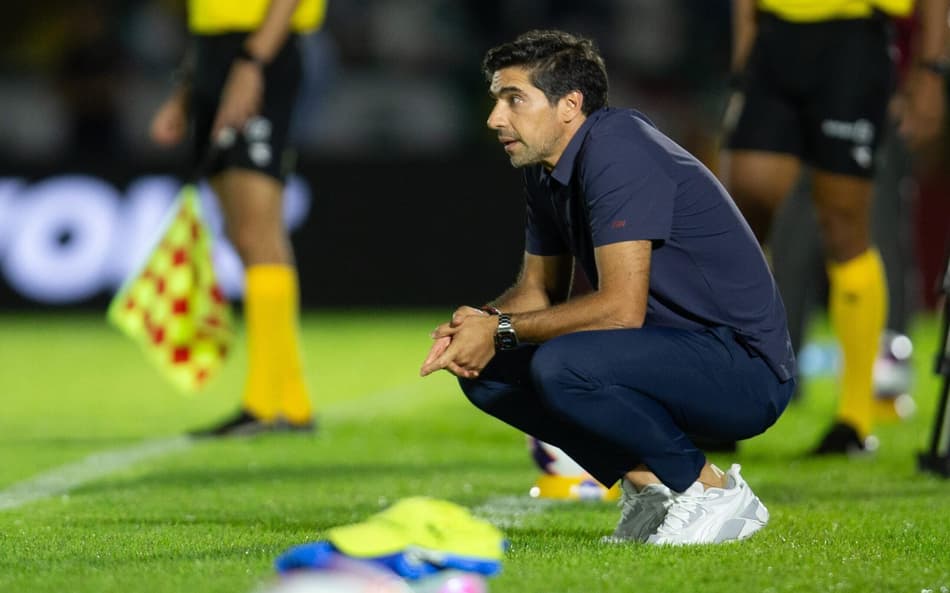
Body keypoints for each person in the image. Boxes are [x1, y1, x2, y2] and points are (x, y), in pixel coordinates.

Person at [420, 30, 796, 545]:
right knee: (488, 370)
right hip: (667, 354)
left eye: (514, 99)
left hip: (744, 369)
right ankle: (649, 489)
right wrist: (479, 324)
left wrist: (501, 328)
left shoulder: (618, 150)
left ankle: (713, 491)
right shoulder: (544, 167)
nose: (495, 119)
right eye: (496, 100)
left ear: (569, 105)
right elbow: (537, 292)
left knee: (560, 365)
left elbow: (620, 309)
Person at [723, 0, 949, 454]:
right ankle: (728, 397)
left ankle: (854, 417)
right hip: (775, 38)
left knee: (844, 222)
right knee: (741, 210)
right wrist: (744, 56)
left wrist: (932, 71)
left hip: (853, 39)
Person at [149, 0, 326, 436]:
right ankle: (291, 401)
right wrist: (187, 90)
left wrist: (251, 63)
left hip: (262, 48)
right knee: (243, 232)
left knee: (255, 232)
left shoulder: (254, 59)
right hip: (215, 55)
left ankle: (264, 403)